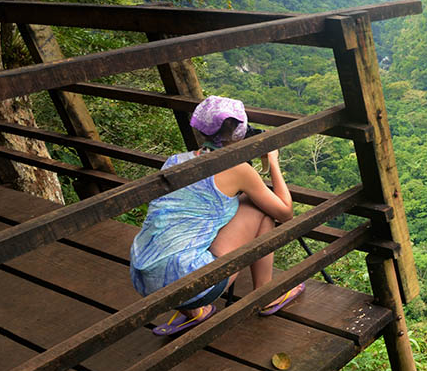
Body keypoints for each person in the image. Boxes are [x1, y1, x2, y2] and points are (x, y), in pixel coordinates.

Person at [130, 95, 304, 335]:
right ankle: (266, 294)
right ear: (238, 133)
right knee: (260, 209)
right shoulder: (237, 169)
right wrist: (273, 161)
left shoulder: (175, 161)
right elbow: (285, 213)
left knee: (186, 231)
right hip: (194, 286)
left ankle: (194, 313)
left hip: (145, 280)